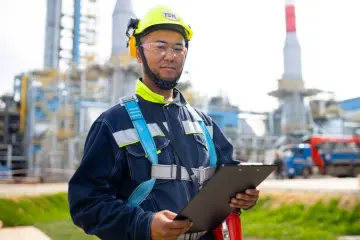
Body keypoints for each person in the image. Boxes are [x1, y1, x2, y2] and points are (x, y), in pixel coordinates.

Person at [68, 5, 260, 240]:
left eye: (178, 48)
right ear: (138, 53)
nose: (170, 55)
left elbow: (229, 175)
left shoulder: (204, 123)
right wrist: (143, 224)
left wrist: (244, 195)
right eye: (159, 46)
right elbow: (86, 203)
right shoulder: (113, 123)